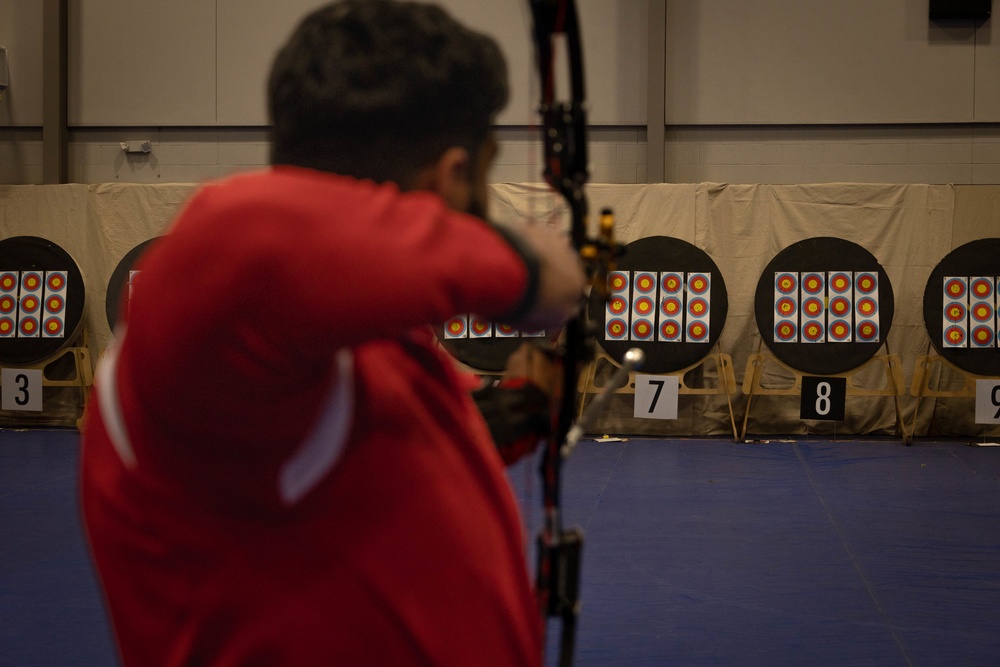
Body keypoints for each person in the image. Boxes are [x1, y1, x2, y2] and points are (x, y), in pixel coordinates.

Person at [79, 2, 586, 665]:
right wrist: (536, 274)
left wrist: (514, 410)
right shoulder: (221, 285)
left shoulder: (339, 338)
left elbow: (344, 454)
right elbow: (251, 235)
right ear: (454, 175)